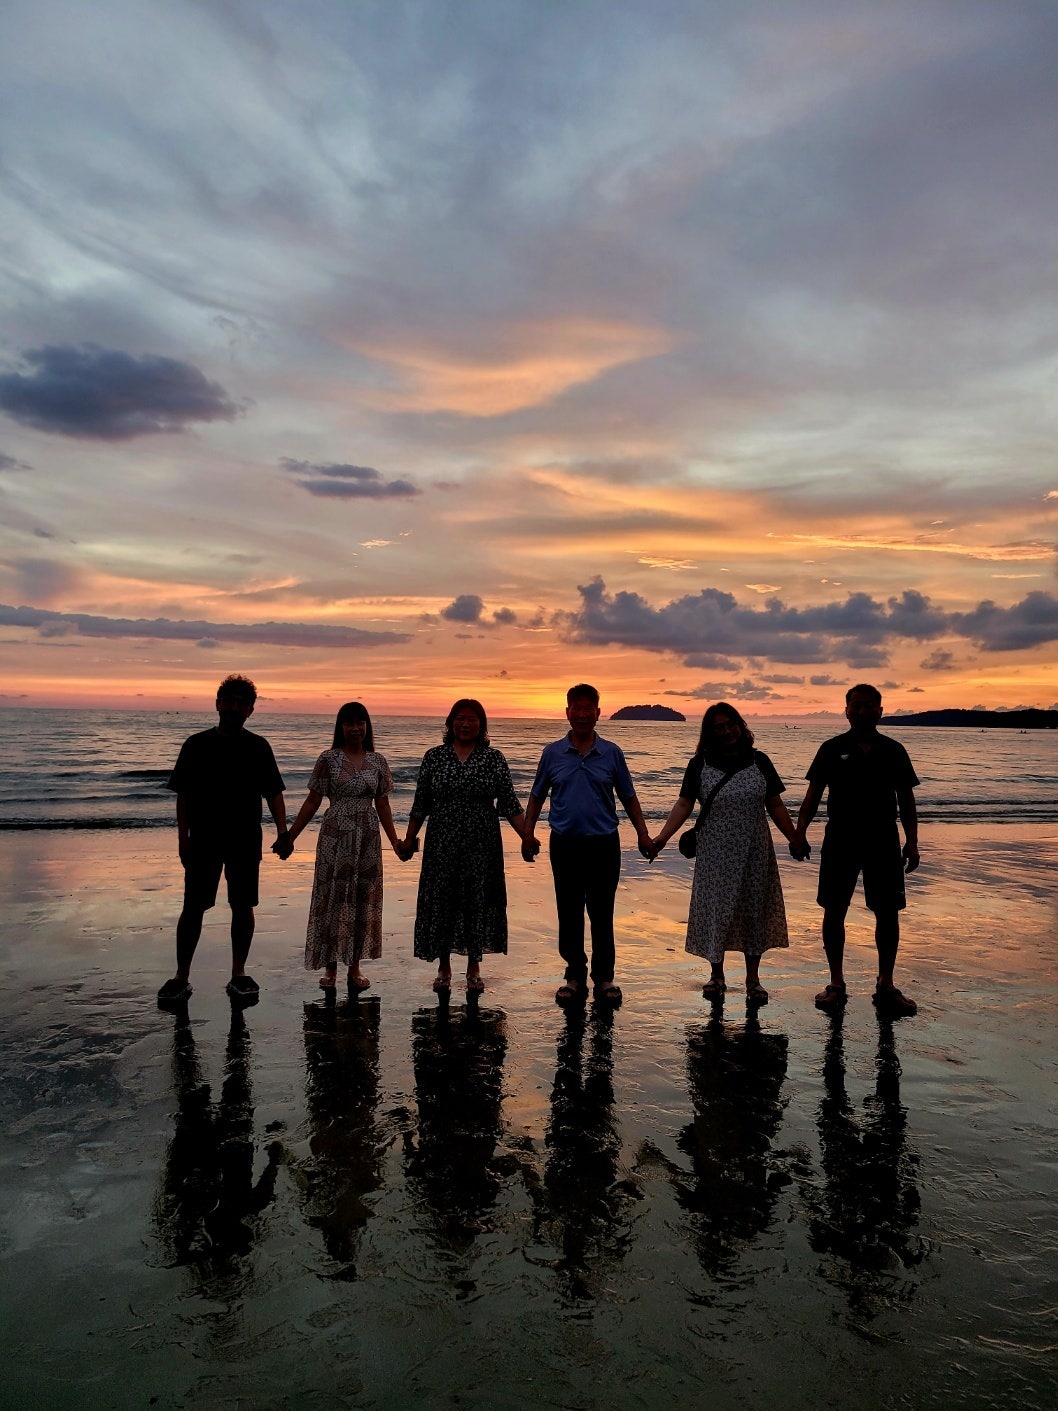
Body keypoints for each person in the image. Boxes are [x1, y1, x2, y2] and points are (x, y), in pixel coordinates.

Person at [649, 703, 807, 1004]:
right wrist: (661, 838)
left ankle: (753, 980)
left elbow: (774, 804)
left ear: (740, 725)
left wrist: (795, 837)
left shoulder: (759, 761)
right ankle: (716, 975)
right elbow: (684, 804)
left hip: (755, 848)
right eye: (718, 727)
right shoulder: (699, 764)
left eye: (730, 724)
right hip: (715, 851)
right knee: (716, 910)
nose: (726, 731)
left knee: (754, 909)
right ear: (709, 733)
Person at [791, 683, 920, 1016]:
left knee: (888, 912)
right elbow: (812, 796)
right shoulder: (831, 748)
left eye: (869, 706)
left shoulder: (893, 750)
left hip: (883, 840)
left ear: (880, 711)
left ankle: (886, 983)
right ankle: (836, 983)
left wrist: (912, 841)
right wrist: (799, 832)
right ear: (846, 710)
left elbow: (906, 800)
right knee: (834, 910)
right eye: (856, 705)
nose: (862, 711)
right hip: (840, 839)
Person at [158, 674, 286, 1003]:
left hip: (245, 839)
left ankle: (238, 973)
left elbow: (274, 793)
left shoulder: (258, 747)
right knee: (193, 906)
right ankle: (181, 975)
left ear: (251, 710)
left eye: (242, 703)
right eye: (229, 701)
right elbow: (183, 796)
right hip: (203, 839)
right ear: (218, 704)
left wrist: (283, 832)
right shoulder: (196, 745)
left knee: (243, 905)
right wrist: (183, 838)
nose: (234, 708)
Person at [521, 683, 651, 1005]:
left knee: (602, 911)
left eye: (588, 708)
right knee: (569, 911)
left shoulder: (611, 753)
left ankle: (604, 978)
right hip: (564, 844)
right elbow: (536, 795)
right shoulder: (552, 753)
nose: (582, 714)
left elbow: (628, 796)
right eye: (576, 708)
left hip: (604, 844)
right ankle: (575, 976)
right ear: (567, 712)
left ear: (598, 713)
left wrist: (643, 834)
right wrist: (527, 834)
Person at [401, 699, 530, 994]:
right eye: (460, 718)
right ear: (451, 723)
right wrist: (408, 839)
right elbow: (420, 804)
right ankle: (443, 967)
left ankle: (474, 966)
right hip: (441, 840)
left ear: (481, 725)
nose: (466, 724)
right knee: (442, 899)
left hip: (481, 841)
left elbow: (509, 804)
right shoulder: (434, 757)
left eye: (472, 719)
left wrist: (527, 836)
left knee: (476, 899)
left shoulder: (493, 758)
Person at [279, 702, 403, 992]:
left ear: (367, 726)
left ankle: (355, 967)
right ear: (341, 727)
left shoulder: (378, 761)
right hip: (335, 834)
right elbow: (313, 800)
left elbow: (383, 804)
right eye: (349, 723)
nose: (355, 728)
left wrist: (395, 841)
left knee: (361, 898)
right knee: (333, 896)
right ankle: (330, 967)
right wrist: (290, 836)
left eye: (360, 722)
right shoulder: (328, 759)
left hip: (368, 836)